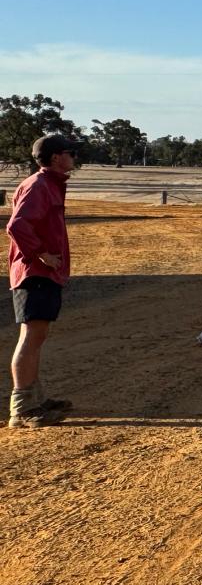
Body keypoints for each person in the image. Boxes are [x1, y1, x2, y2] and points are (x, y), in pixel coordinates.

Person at [6, 135, 77, 429]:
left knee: (37, 336)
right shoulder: (39, 186)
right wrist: (41, 255)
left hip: (41, 273)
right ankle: (21, 408)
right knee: (31, 337)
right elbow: (17, 225)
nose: (74, 158)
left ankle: (35, 398)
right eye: (70, 153)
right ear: (56, 157)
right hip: (34, 273)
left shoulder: (48, 184)